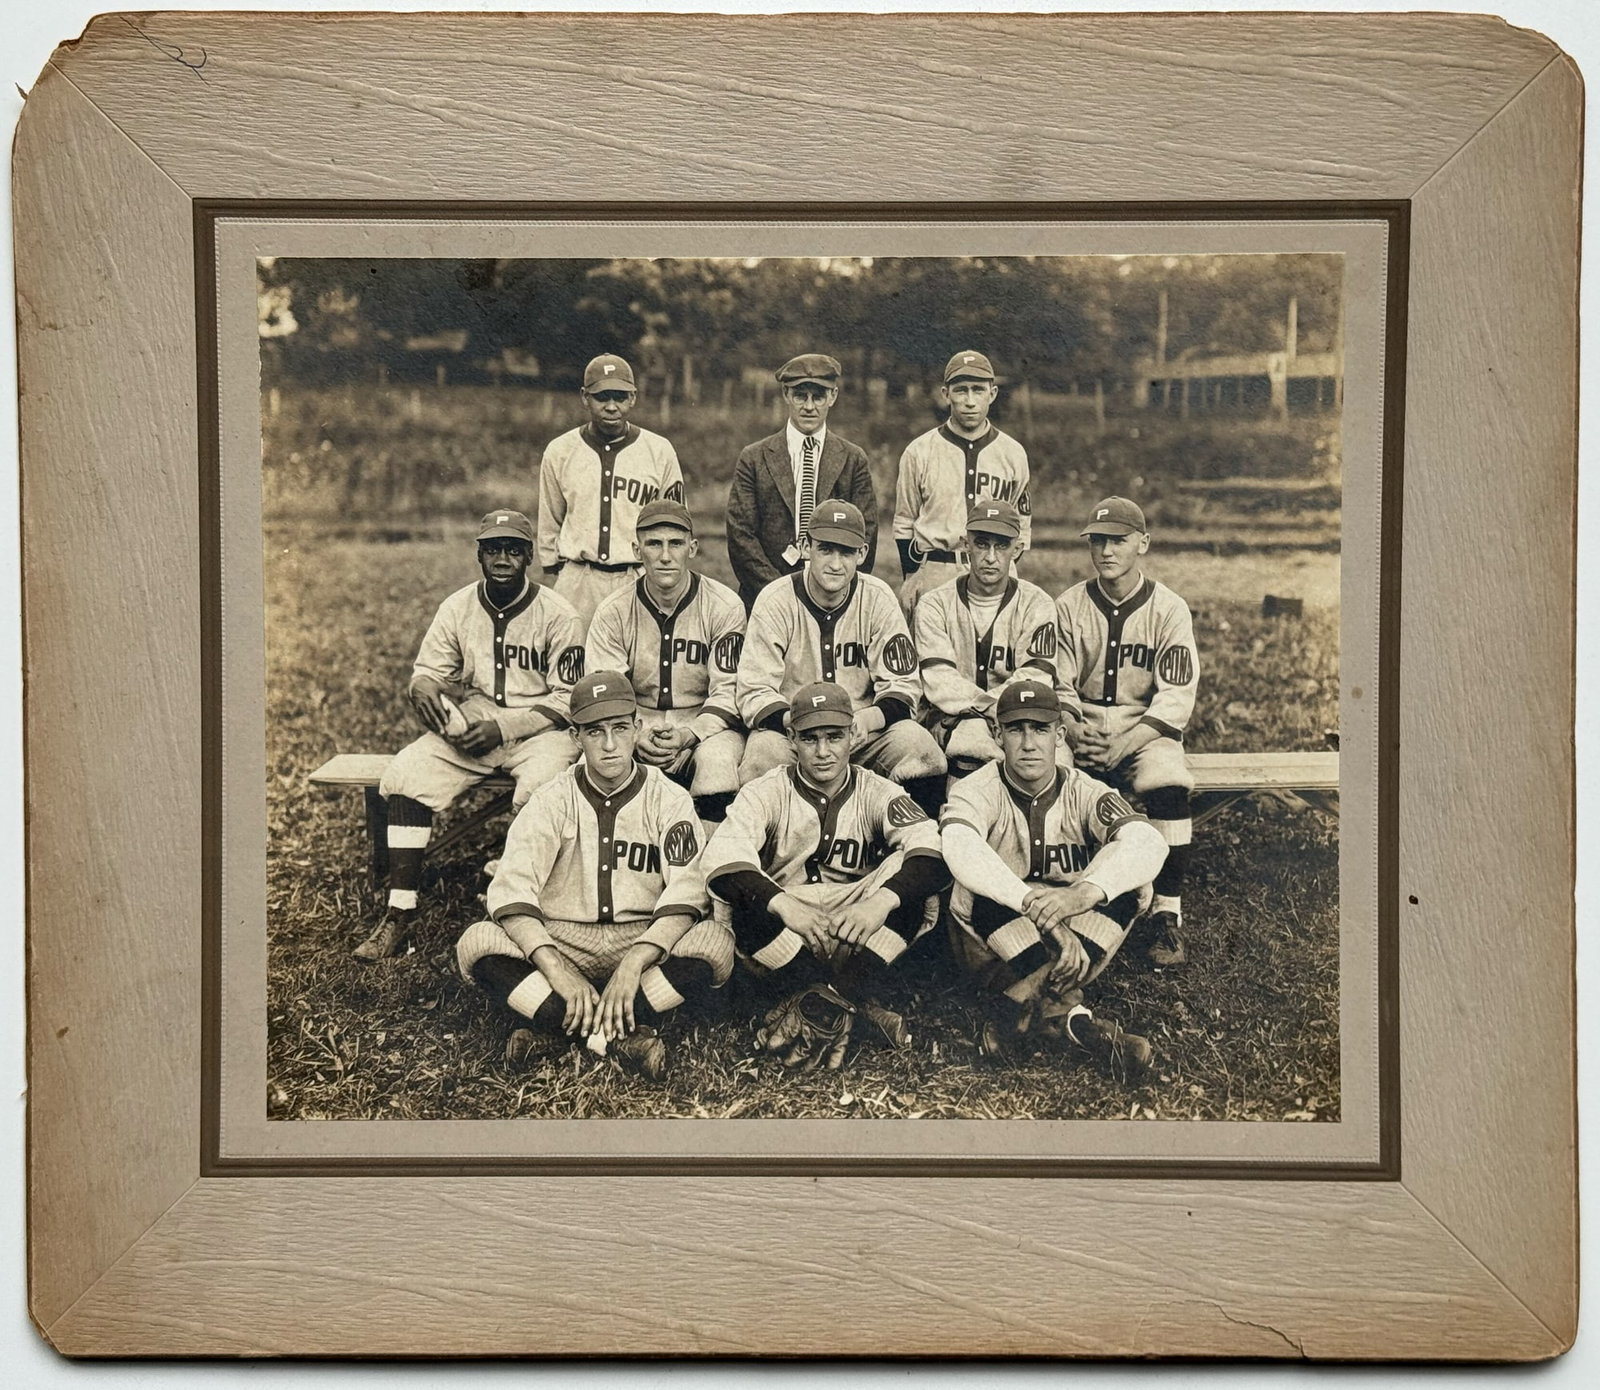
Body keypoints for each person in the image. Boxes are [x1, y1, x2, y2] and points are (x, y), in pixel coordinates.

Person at [454, 672, 735, 1079]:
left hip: (640, 937)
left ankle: (559, 1029)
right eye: (594, 731)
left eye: (620, 728)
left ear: (637, 728)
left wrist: (636, 961)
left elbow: (688, 892)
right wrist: (556, 968)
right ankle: (621, 1036)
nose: (608, 745)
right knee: (477, 943)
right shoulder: (550, 798)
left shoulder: (667, 797)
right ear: (574, 736)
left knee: (715, 943)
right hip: (562, 937)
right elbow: (511, 889)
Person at [356, 508, 584, 962]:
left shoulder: (558, 613)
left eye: (514, 550)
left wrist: (503, 727)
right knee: (406, 774)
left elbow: (568, 700)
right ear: (479, 555)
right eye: (493, 549)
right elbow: (428, 672)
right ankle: (400, 909)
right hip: (475, 717)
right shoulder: (458, 606)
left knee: (542, 789)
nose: (503, 558)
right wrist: (423, 690)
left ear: (530, 557)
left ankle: (510, 900)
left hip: (541, 728)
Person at [702, 682, 952, 1068]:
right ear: (791, 738)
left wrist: (879, 903)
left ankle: (822, 999)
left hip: (857, 922)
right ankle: (854, 1004)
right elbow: (723, 860)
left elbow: (931, 853)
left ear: (853, 734)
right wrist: (782, 903)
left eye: (834, 737)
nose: (822, 752)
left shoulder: (878, 790)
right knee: (742, 894)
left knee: (911, 879)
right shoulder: (764, 791)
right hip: (789, 928)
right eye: (810, 738)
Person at [940, 679, 1168, 1081]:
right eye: (1015, 728)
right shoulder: (977, 789)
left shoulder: (1084, 790)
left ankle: (1020, 1004)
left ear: (1059, 735)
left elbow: (1149, 841)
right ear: (997, 734)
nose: (1028, 743)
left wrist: (1081, 894)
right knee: (972, 884)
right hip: (999, 942)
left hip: (1072, 935)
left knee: (1132, 884)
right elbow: (958, 845)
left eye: (1040, 729)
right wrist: (1037, 908)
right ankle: (1075, 1021)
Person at [1054, 496, 1199, 966]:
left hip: (1143, 728)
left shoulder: (1170, 608)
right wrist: (1073, 729)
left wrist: (1123, 745)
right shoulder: (1069, 604)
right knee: (1049, 773)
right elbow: (1057, 681)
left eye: (1118, 540)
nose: (1107, 551)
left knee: (1168, 783)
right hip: (1081, 723)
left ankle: (1166, 911)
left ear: (1143, 543)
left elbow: (1175, 698)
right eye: (1098, 541)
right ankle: (1059, 889)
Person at [735, 500, 947, 814]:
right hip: (797, 734)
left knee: (920, 748)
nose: (835, 563)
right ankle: (770, 851)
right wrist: (803, 726)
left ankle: (920, 846)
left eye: (846, 552)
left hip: (860, 732)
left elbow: (903, 686)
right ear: (806, 547)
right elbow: (753, 691)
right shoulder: (775, 599)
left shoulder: (877, 597)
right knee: (760, 755)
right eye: (826, 549)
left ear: (861, 554)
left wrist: (868, 720)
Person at [585, 499, 747, 825]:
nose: (664, 555)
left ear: (693, 547)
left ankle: (708, 864)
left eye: (675, 544)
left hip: (704, 724)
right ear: (636, 549)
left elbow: (728, 690)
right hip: (635, 723)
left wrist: (692, 733)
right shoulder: (614, 610)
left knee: (718, 764)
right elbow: (606, 692)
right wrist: (633, 733)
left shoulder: (724, 605)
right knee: (589, 765)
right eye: (653, 544)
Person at [912, 500, 1065, 778]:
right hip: (951, 718)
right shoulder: (934, 604)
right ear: (965, 545)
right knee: (972, 741)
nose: (991, 557)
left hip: (1019, 717)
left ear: (1017, 549)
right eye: (982, 544)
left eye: (1002, 546)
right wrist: (986, 709)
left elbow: (1036, 677)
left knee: (1057, 755)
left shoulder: (1037, 603)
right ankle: (961, 817)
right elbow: (939, 680)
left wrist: (1000, 711)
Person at [537, 353, 684, 629]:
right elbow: (549, 523)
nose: (612, 406)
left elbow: (675, 523)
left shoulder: (659, 450)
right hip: (579, 577)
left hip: (637, 576)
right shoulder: (560, 451)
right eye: (602, 397)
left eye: (620, 396)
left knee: (639, 666)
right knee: (573, 663)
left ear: (633, 397)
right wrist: (556, 574)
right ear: (584, 397)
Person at [725, 353, 878, 610]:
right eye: (800, 396)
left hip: (834, 601)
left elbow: (866, 534)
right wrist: (780, 594)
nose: (809, 406)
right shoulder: (754, 457)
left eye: (818, 396)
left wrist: (832, 590)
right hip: (767, 599)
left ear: (833, 396)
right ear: (786, 394)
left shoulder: (853, 459)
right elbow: (740, 536)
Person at [893, 350, 1032, 618]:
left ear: (992, 394)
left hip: (995, 573)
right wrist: (911, 574)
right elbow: (904, 521)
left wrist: (1000, 569)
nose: (969, 401)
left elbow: (1022, 526)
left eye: (978, 390)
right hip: (936, 568)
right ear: (946, 394)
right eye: (961, 390)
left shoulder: (1013, 453)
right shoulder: (919, 451)